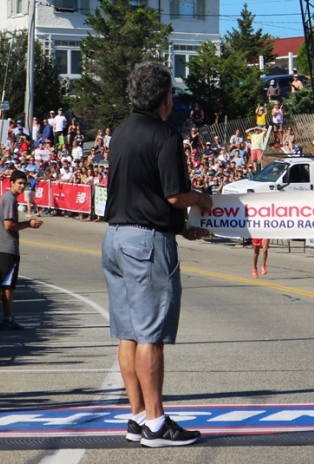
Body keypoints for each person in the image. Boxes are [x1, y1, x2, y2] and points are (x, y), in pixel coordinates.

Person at [102, 62, 212, 447]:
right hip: (146, 243)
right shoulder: (166, 135)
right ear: (165, 97)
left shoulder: (119, 133)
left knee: (128, 333)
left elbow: (138, 190)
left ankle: (136, 417)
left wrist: (181, 227)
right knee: (151, 335)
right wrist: (201, 199)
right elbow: (174, 195)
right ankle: (156, 422)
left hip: (115, 236)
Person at [0, 170, 43, 331]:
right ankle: (8, 318)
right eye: (20, 183)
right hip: (6, 248)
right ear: (12, 183)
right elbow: (8, 226)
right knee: (7, 285)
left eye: (25, 184)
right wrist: (29, 224)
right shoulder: (10, 199)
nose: (23, 187)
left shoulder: (4, 198)